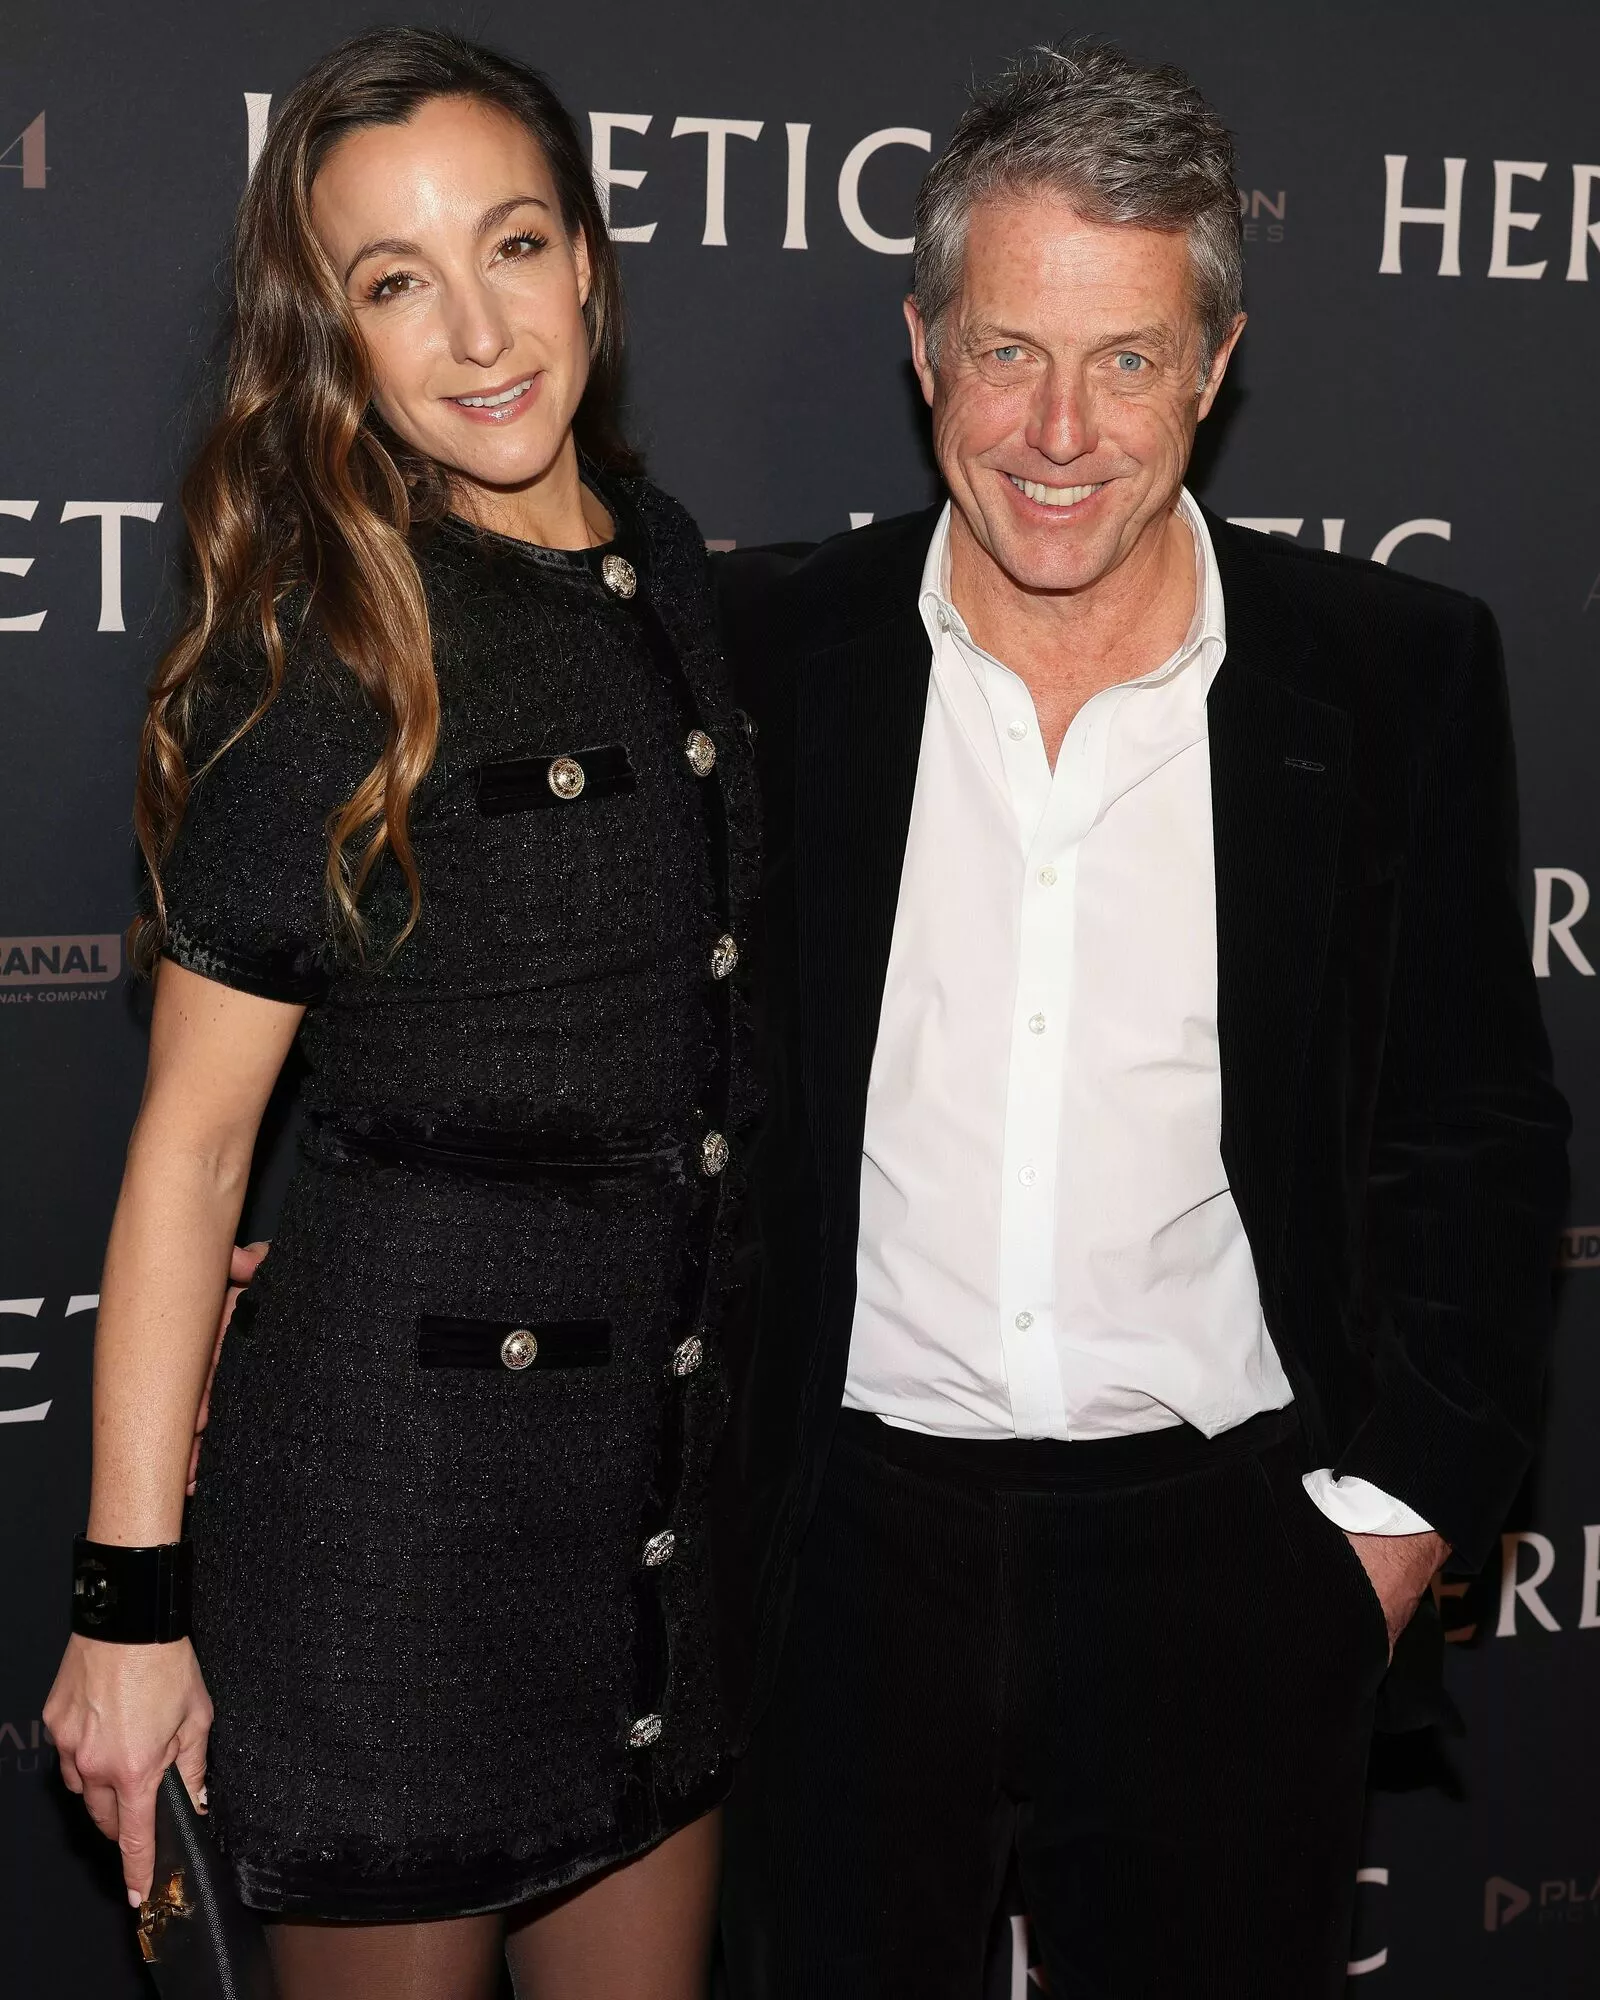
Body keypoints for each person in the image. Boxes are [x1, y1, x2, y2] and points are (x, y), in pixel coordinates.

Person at [710, 43, 1570, 2000]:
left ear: (1214, 362)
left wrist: (1384, 1534)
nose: (1059, 429)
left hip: (1230, 1560)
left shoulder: (1392, 673)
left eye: (1124, 359)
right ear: (922, 345)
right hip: (841, 1555)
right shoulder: (764, 655)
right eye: (1006, 350)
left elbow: (1472, 1132)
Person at [42, 28, 757, 2000]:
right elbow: (192, 1149)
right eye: (393, 281)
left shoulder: (669, 569)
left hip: (648, 1548)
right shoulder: (328, 650)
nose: (478, 331)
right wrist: (128, 1611)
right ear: (330, 336)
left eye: (512, 245)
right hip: (388, 1541)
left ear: (588, 261)